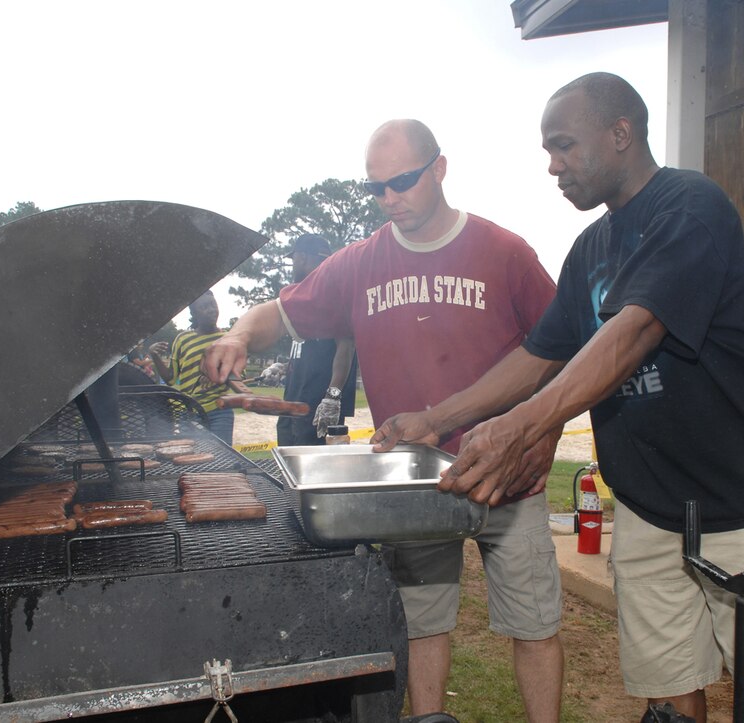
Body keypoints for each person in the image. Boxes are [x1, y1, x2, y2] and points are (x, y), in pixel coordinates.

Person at [371, 74, 744, 723]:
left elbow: (634, 331)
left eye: (564, 146)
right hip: (648, 506)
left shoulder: (691, 207)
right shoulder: (590, 249)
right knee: (668, 695)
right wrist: (435, 419)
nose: (552, 165)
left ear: (621, 133)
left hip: (743, 501)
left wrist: (522, 427)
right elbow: (538, 356)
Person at [202, 119, 565, 722]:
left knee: (533, 625)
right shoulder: (359, 264)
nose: (389, 198)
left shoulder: (504, 252)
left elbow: (562, 345)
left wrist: (541, 429)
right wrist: (240, 332)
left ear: (440, 169)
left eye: (402, 181)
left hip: (507, 477)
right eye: (376, 188)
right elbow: (280, 313)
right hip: (412, 483)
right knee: (422, 624)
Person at [277, 233, 358, 446]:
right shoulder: (301, 297)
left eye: (293, 259)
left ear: (302, 257)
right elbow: (312, 350)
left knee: (312, 473)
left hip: (317, 406)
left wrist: (332, 397)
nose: (293, 265)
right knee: (288, 470)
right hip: (292, 402)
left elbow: (346, 346)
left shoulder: (334, 294)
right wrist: (285, 366)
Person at [150, 290, 249, 444]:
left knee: (222, 459)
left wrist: (217, 373)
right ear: (194, 314)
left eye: (213, 304)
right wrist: (155, 356)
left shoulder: (228, 339)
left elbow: (238, 377)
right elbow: (170, 379)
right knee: (188, 456)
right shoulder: (182, 339)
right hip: (188, 413)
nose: (211, 309)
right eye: (204, 307)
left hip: (220, 411)